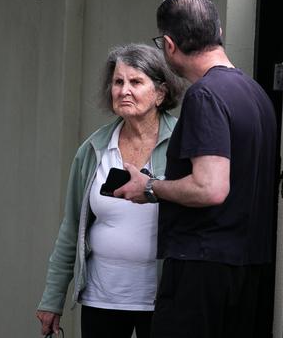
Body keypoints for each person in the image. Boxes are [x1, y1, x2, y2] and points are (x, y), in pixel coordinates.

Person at [115, 0, 278, 337]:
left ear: (169, 45)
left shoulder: (205, 96)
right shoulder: (256, 94)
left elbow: (211, 186)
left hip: (203, 272)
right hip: (251, 270)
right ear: (217, 31)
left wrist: (148, 186)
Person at [36, 43, 185, 338]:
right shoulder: (93, 148)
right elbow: (71, 229)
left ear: (161, 93)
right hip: (101, 297)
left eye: (135, 81)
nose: (123, 90)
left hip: (164, 299)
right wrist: (52, 299)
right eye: (118, 82)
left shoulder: (183, 142)